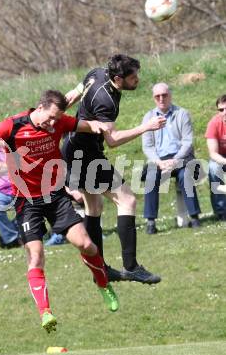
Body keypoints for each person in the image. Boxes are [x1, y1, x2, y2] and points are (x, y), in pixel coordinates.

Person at [0, 90, 120, 333]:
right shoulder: (12, 126)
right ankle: (45, 312)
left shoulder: (60, 122)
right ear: (40, 107)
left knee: (86, 245)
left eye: (57, 119)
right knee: (36, 256)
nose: (53, 124)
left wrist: (102, 125)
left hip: (56, 196)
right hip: (26, 201)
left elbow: (88, 125)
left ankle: (103, 284)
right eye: (50, 118)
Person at [63, 54, 166, 285]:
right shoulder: (106, 101)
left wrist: (56, 116)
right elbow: (113, 139)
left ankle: (98, 267)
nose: (137, 80)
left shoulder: (96, 72)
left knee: (94, 206)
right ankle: (131, 267)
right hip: (86, 155)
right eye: (133, 77)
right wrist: (146, 127)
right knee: (127, 200)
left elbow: (72, 95)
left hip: (73, 149)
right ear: (118, 79)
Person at [141, 83, 201, 234]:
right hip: (159, 160)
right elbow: (147, 146)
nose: (161, 99)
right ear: (153, 98)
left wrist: (175, 160)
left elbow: (187, 141)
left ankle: (194, 218)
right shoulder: (148, 117)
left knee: (185, 175)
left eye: (164, 95)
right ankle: (150, 222)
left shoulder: (182, 114)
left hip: (180, 158)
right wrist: (159, 162)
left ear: (170, 95)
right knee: (150, 176)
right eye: (157, 96)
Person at [0, 145, 22, 248]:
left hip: (22, 190)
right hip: (1, 191)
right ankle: (12, 238)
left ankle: (7, 237)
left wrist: (3, 166)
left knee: (35, 205)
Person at [205, 94, 226, 221]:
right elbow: (213, 153)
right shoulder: (214, 123)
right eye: (221, 110)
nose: (224, 112)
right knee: (213, 168)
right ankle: (221, 210)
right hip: (220, 157)